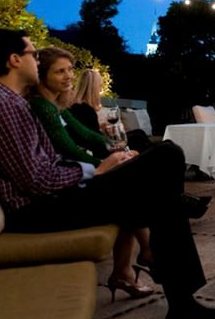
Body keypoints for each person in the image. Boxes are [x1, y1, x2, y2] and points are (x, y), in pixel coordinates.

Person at [0, 29, 215, 319]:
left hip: (52, 198)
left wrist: (100, 167)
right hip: (40, 210)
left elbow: (41, 165)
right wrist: (96, 170)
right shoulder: (0, 106)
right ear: (14, 60)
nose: (37, 60)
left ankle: (181, 299)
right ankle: (180, 292)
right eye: (33, 54)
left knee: (161, 187)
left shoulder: (4, 102)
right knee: (166, 157)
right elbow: (37, 180)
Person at [28, 47, 153, 302]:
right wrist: (105, 164)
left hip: (72, 169)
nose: (68, 76)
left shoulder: (56, 105)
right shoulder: (42, 106)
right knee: (135, 182)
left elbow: (86, 135)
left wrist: (116, 150)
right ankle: (144, 253)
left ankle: (137, 260)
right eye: (59, 72)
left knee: (133, 173)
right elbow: (68, 148)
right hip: (62, 179)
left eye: (69, 70)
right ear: (41, 76)